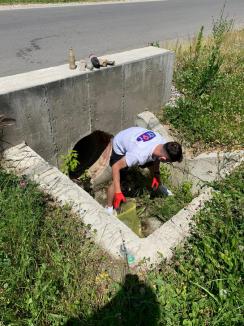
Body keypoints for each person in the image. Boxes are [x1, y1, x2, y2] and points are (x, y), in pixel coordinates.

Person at [106, 126, 183, 214]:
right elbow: (115, 167)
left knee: (151, 163)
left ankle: (159, 186)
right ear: (164, 159)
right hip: (119, 143)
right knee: (117, 181)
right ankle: (108, 207)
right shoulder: (139, 155)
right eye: (169, 162)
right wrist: (118, 191)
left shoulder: (163, 143)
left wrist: (156, 174)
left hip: (133, 135)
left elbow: (157, 159)